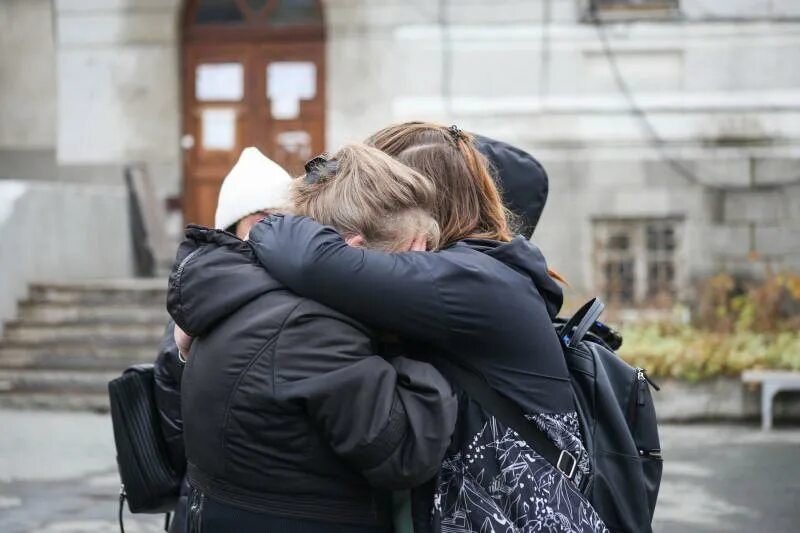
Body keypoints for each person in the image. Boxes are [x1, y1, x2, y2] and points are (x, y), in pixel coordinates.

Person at [247, 122, 608, 532]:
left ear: (420, 192)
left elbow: (311, 260)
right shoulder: (477, 269)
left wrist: (268, 219)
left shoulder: (469, 280)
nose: (372, 193)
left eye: (382, 181)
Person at [166, 143, 458, 532]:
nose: (418, 276)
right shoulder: (311, 329)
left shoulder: (260, 296)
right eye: (412, 257)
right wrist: (426, 337)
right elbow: (403, 451)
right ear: (355, 254)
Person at [152, 146, 293, 532]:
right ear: (232, 229)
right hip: (208, 503)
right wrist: (181, 357)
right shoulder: (198, 304)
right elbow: (176, 428)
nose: (276, 231)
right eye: (263, 221)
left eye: (286, 220)